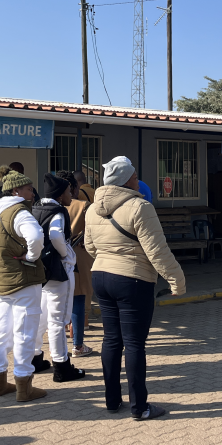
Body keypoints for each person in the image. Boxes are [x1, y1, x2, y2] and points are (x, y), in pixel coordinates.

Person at [85, 155, 186, 421]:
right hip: (132, 280)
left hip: (101, 277)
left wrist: (108, 258)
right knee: (134, 344)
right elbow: (158, 251)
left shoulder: (92, 208)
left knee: (111, 340)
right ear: (128, 179)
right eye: (134, 175)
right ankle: (140, 407)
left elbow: (89, 246)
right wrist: (176, 280)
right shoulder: (140, 207)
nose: (137, 179)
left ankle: (111, 400)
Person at [0, 165, 48, 402]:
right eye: (29, 189)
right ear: (16, 190)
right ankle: (23, 385)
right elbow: (36, 237)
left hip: (1, 278)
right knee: (25, 332)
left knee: (2, 331)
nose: (32, 192)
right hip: (23, 280)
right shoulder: (19, 212)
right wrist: (31, 257)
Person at [32, 174, 86, 382]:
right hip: (59, 272)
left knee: (42, 316)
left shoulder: (36, 209)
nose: (72, 194)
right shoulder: (58, 212)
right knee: (58, 319)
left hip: (42, 271)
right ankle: (62, 366)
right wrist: (66, 254)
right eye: (68, 191)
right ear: (59, 194)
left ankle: (35, 358)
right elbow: (55, 235)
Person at [58, 171, 95, 357]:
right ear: (73, 188)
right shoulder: (84, 206)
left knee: (58, 301)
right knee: (79, 299)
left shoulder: (44, 207)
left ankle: (57, 345)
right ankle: (78, 345)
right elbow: (94, 230)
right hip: (78, 256)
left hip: (55, 258)